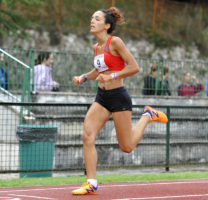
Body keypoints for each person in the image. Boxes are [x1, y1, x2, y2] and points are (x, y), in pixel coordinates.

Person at [71, 7, 168, 195]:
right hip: (102, 97)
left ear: (107, 25)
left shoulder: (115, 42)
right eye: (92, 18)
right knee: (87, 135)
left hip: (118, 97)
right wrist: (83, 77)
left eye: (97, 19)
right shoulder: (96, 47)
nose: (92, 21)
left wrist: (112, 76)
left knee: (127, 147)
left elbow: (134, 67)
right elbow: (99, 71)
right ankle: (91, 182)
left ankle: (148, 115)